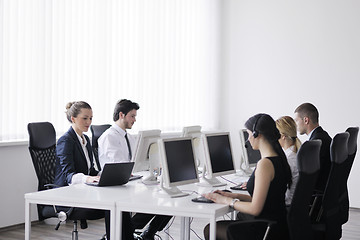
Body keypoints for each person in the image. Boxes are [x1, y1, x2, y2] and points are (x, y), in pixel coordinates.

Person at [203, 114, 291, 240]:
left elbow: (255, 208)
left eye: (249, 134)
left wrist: (227, 201)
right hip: (275, 226)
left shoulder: (265, 164)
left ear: (257, 135)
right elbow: (268, 200)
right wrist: (234, 196)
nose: (248, 139)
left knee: (210, 230)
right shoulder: (278, 159)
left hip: (263, 229)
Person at [98, 99, 172, 240]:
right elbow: (118, 166)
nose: (135, 120)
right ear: (121, 115)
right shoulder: (109, 137)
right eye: (132, 116)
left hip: (129, 181)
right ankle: (125, 230)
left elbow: (136, 162)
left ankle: (146, 232)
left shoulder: (130, 138)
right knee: (156, 199)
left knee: (168, 199)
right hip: (115, 186)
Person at [54, 101, 106, 239]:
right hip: (67, 195)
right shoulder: (66, 140)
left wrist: (106, 174)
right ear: (73, 118)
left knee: (117, 204)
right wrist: (88, 178)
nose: (89, 122)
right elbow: (68, 176)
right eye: (85, 118)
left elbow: (91, 170)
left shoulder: (86, 139)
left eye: (91, 118)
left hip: (83, 192)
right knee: (111, 207)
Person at [294, 103, 332, 192]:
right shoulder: (323, 136)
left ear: (306, 120)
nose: (295, 125)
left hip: (316, 195)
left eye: (296, 120)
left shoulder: (314, 144)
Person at [276, 116, 301, 206]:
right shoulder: (298, 153)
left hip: (286, 204)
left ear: (283, 136)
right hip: (295, 205)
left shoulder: (288, 159)